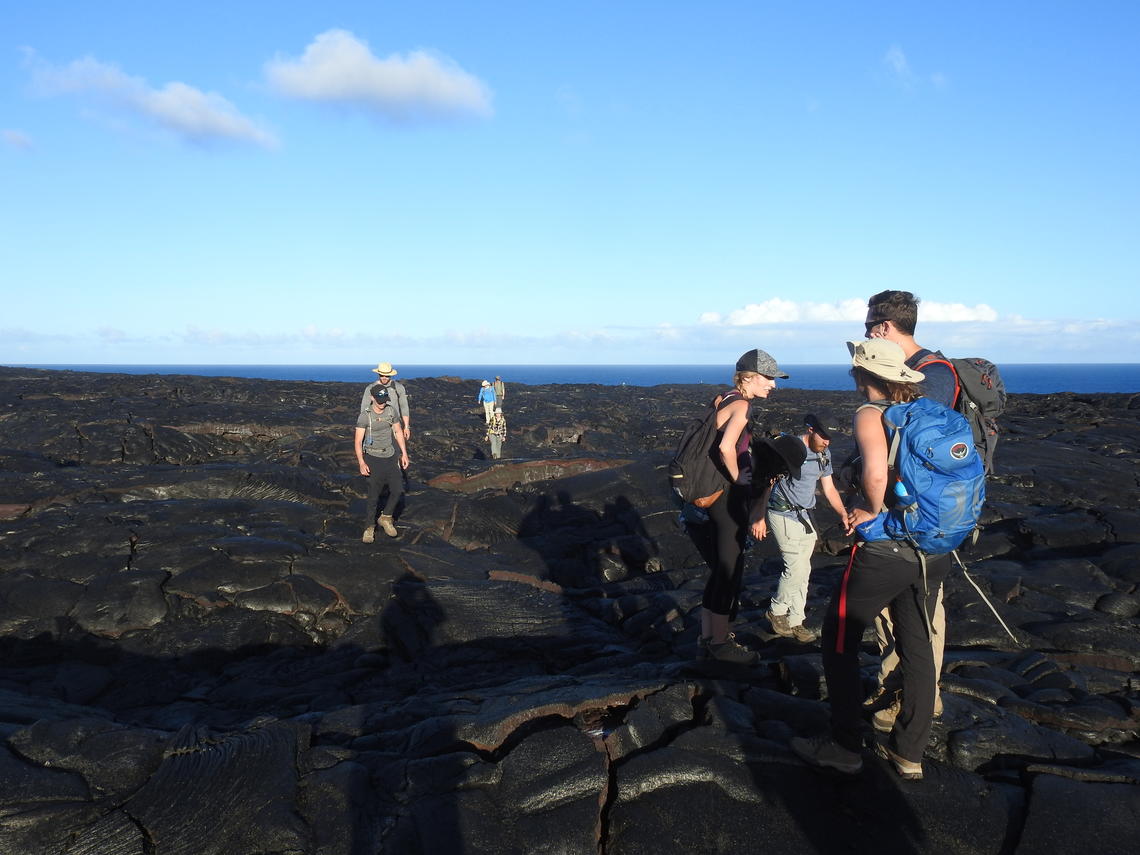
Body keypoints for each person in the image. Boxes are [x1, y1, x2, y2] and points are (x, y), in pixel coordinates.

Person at [791, 339, 951, 781]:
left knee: (839, 638)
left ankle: (844, 746)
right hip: (935, 546)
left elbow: (876, 472)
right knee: (918, 646)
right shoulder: (932, 410)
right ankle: (910, 753)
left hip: (890, 549)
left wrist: (873, 514)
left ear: (862, 376)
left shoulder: (872, 413)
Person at [864, 290, 953, 724]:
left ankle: (915, 700)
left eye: (868, 328)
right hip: (910, 511)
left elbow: (911, 452)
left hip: (919, 516)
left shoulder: (930, 377)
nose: (866, 334)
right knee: (896, 609)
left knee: (920, 612)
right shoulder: (928, 373)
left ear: (883, 328)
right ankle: (896, 686)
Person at [688, 348, 791, 665]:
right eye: (769, 378)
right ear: (750, 376)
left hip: (710, 497)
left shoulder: (724, 397)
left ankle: (709, 638)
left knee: (722, 570)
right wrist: (740, 478)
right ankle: (720, 643)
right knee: (728, 571)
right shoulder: (742, 405)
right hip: (725, 498)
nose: (773, 385)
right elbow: (725, 447)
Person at [765, 410, 848, 643]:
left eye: (830, 438)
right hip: (782, 513)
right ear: (810, 430)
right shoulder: (789, 449)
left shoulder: (825, 454)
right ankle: (776, 611)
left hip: (805, 517)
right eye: (823, 436)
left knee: (804, 570)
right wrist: (757, 517)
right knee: (796, 568)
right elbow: (765, 482)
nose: (827, 441)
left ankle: (795, 621)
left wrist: (842, 513)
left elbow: (829, 488)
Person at [354, 386, 410, 542]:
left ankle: (386, 517)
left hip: (390, 455)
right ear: (372, 398)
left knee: (398, 490)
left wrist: (403, 453)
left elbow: (398, 432)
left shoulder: (391, 411)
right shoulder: (365, 416)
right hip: (372, 456)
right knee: (373, 495)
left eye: (384, 400)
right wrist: (361, 462)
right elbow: (358, 441)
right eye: (379, 400)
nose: (382, 403)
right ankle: (369, 527)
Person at [360, 362, 410, 440]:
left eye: (387, 375)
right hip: (375, 426)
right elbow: (364, 409)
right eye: (381, 375)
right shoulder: (370, 388)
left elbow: (404, 407)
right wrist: (363, 429)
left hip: (395, 426)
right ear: (378, 374)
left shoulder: (398, 388)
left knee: (395, 450)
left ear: (391, 375)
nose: (384, 377)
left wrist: (406, 427)